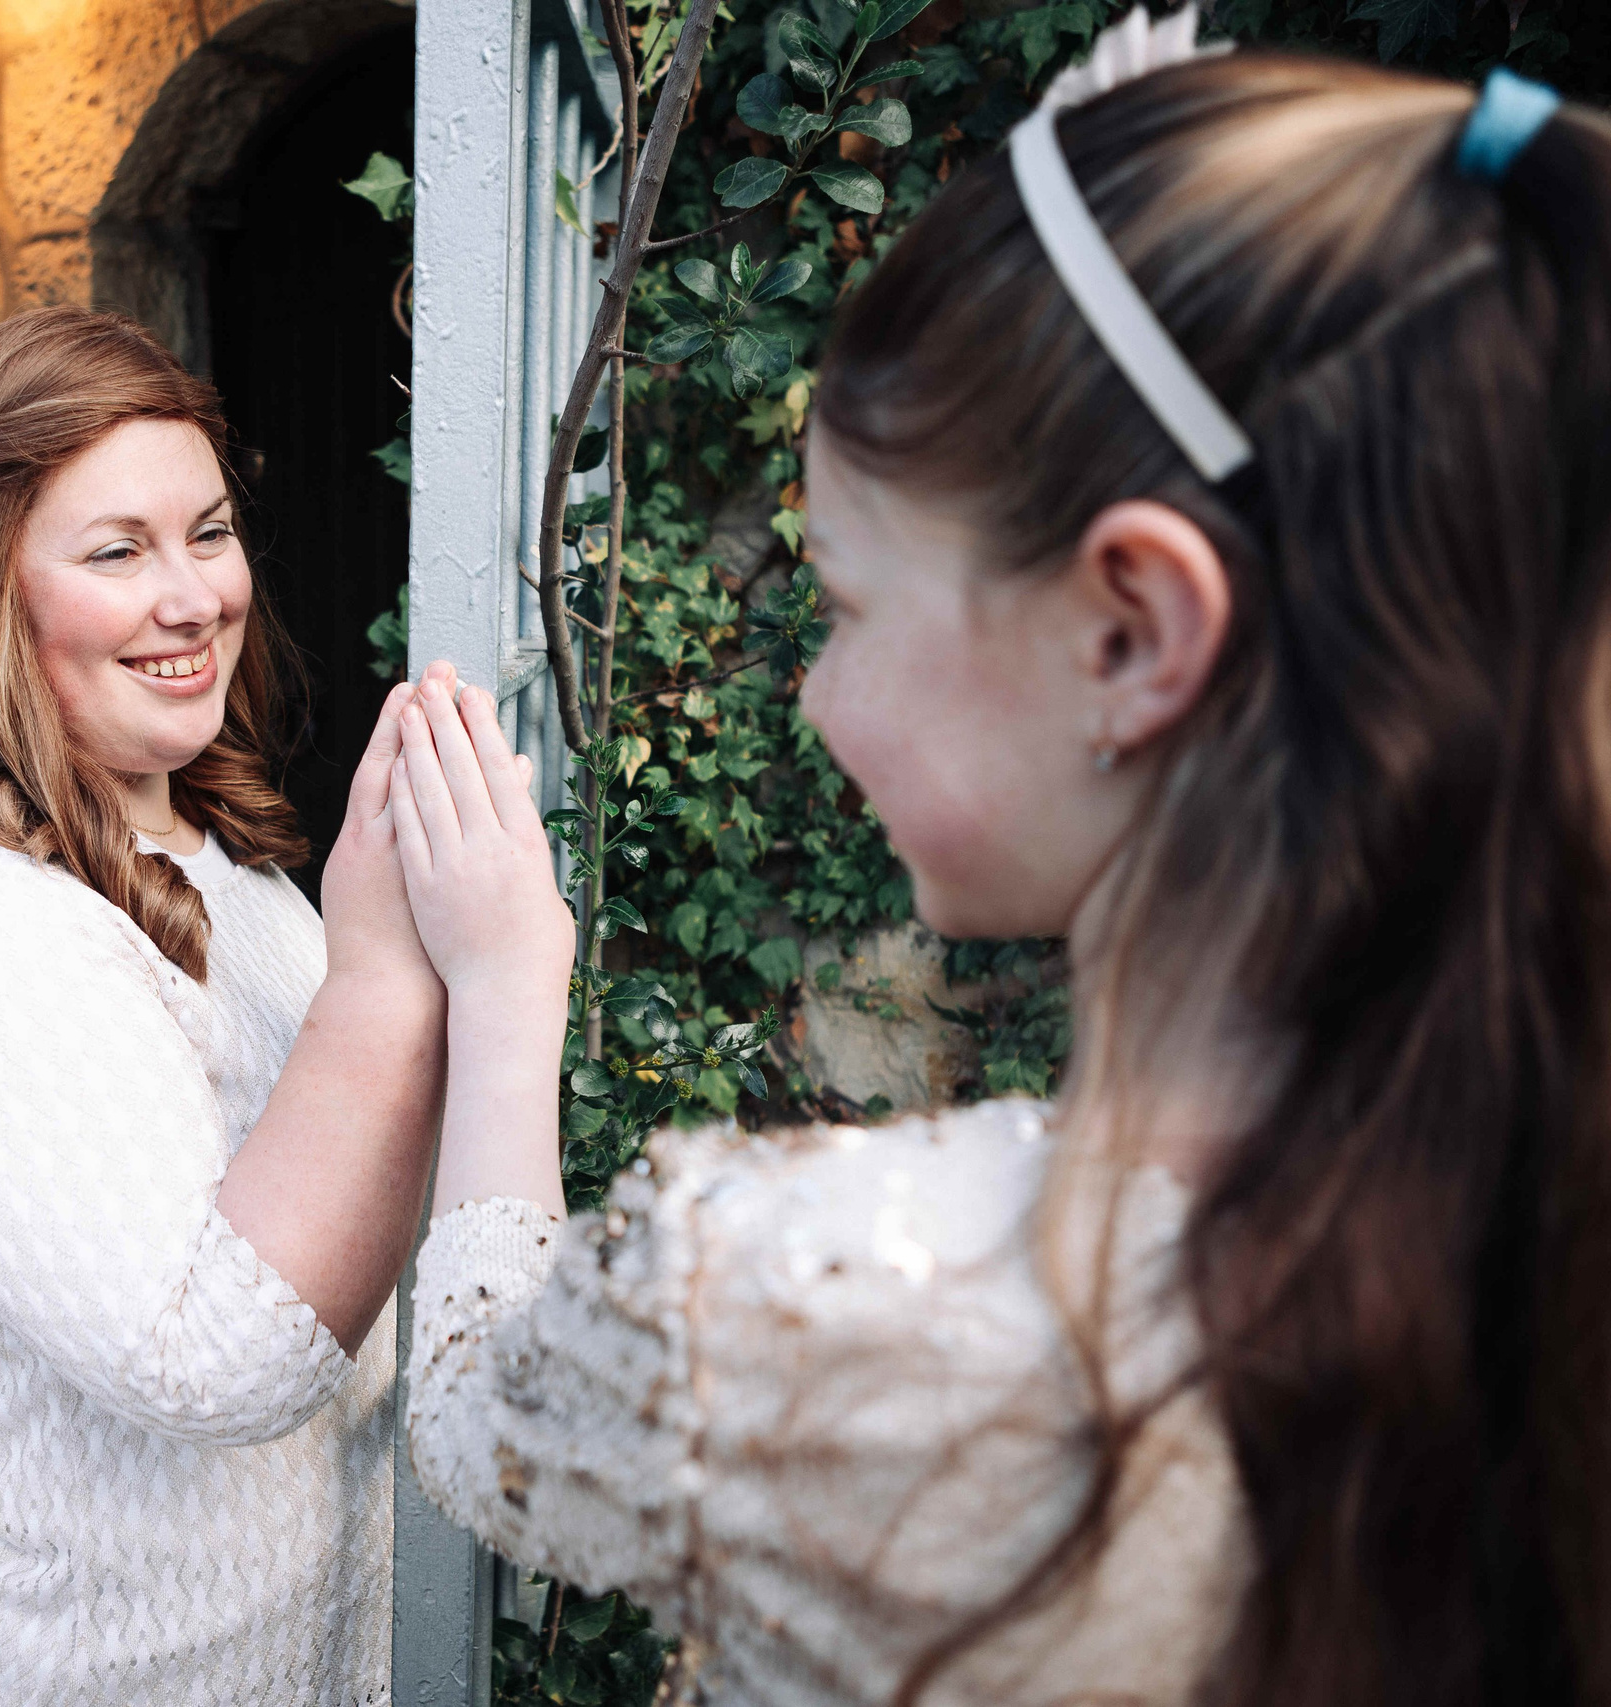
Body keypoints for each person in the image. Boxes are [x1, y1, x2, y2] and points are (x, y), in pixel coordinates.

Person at [390, 29, 1611, 1707]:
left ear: (1133, 630)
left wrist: (513, 984)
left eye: (850, 604)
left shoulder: (816, 1313)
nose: (814, 693)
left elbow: (476, 1428)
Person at [0, 306, 483, 1706]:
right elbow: (217, 1361)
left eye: (211, 532)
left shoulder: (219, 859)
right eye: (117, 551)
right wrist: (386, 982)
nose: (194, 597)